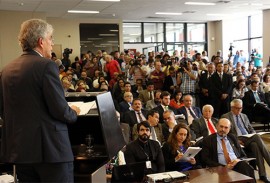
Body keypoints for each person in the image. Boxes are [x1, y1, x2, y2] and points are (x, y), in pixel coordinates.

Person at [0, 19, 80, 182]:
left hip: (21, 152)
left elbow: (3, 110)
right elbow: (60, 110)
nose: (52, 43)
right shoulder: (46, 66)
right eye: (51, 38)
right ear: (41, 41)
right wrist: (74, 112)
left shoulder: (6, 69)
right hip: (51, 152)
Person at [222, 99, 270, 183]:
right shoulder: (226, 117)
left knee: (255, 144)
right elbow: (226, 133)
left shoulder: (244, 116)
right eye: (237, 108)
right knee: (256, 137)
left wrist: (253, 133)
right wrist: (236, 140)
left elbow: (250, 128)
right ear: (232, 107)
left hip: (249, 137)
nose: (239, 110)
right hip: (238, 138)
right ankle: (269, 159)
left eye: (241, 108)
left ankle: (262, 175)